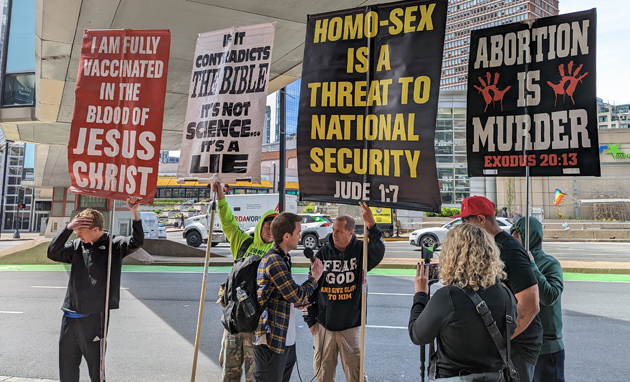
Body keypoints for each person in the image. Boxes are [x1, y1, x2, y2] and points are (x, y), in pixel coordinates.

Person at [47, 198, 143, 382]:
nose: (78, 235)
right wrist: (68, 228)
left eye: (81, 231)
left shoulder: (114, 245)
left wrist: (134, 213)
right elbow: (52, 252)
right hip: (69, 318)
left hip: (94, 320)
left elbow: (136, 242)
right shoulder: (76, 247)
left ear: (96, 230)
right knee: (67, 372)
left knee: (96, 374)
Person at [409, 223, 518, 379]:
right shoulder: (506, 294)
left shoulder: (447, 297)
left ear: (451, 255)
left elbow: (417, 335)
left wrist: (420, 294)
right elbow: (511, 329)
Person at [454, 196, 542, 382]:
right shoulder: (489, 247)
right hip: (505, 344)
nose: (462, 226)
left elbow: (530, 304)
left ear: (480, 219)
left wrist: (498, 341)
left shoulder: (509, 249)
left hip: (517, 346)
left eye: (465, 220)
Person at [303, 202, 385, 382]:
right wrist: (310, 321)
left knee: (355, 375)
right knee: (323, 375)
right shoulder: (323, 254)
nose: (334, 234)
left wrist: (371, 225)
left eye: (339, 231)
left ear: (351, 233)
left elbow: (378, 251)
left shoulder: (360, 251)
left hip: (351, 326)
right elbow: (311, 289)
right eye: (333, 230)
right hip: (324, 326)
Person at [212, 181, 278, 382]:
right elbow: (228, 223)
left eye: (274, 226)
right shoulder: (243, 243)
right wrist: (221, 198)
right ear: (260, 225)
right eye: (267, 224)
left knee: (254, 376)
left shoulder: (277, 253)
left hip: (258, 327)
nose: (270, 229)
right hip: (233, 321)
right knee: (229, 374)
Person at [254, 212, 324, 382]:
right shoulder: (274, 260)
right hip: (271, 341)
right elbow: (295, 294)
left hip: (284, 340)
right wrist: (314, 277)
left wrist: (297, 302)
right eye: (298, 232)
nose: (300, 236)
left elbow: (285, 294)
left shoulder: (284, 258)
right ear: (286, 236)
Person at [511, 217, 565, 382]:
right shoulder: (514, 264)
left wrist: (532, 266)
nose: (514, 240)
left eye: (518, 236)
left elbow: (549, 296)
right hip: (521, 346)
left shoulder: (550, 264)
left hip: (547, 349)